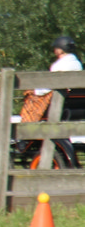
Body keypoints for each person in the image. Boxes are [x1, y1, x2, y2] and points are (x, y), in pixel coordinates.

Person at [26, 35, 81, 167]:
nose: (54, 50)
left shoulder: (60, 65)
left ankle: (25, 132)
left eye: (56, 48)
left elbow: (49, 85)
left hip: (60, 106)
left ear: (60, 50)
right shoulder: (78, 64)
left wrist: (35, 91)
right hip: (75, 107)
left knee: (31, 101)